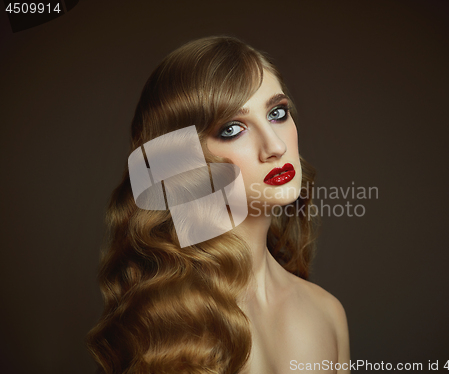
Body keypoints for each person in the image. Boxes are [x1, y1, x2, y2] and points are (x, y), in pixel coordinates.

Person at [87, 35, 350, 374]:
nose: (274, 146)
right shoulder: (158, 329)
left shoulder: (327, 312)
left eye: (277, 112)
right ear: (181, 159)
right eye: (232, 129)